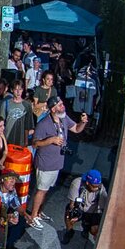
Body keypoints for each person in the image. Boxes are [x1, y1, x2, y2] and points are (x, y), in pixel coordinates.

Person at [27, 97, 88, 229]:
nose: (63, 106)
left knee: (46, 189)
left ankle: (39, 212)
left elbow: (77, 129)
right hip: (45, 163)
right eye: (60, 105)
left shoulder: (64, 118)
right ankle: (32, 216)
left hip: (57, 163)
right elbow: (35, 144)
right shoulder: (43, 124)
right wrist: (50, 140)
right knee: (41, 190)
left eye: (62, 103)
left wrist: (83, 122)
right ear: (53, 109)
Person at [63, 169, 109, 243]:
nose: (96, 188)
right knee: (69, 214)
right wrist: (76, 214)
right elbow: (72, 204)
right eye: (94, 186)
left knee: (95, 229)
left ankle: (86, 228)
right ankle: (69, 231)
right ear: (87, 183)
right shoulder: (77, 183)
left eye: (98, 186)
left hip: (93, 211)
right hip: (80, 208)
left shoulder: (101, 189)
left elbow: (102, 208)